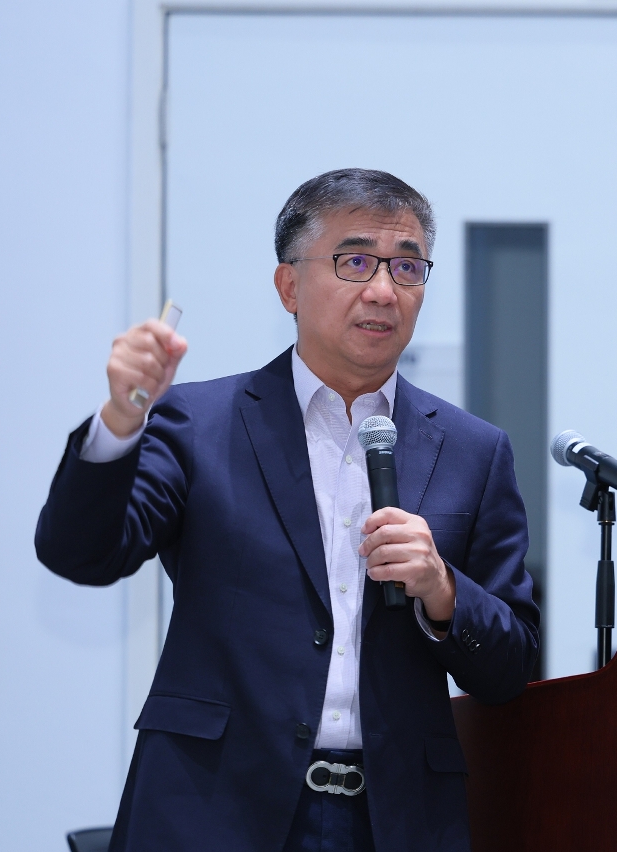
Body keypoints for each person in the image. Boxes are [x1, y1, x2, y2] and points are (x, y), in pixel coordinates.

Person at [35, 168, 539, 852]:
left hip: (395, 822)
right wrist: (121, 421)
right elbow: (82, 554)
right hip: (216, 810)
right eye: (355, 261)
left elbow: (511, 669)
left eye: (407, 267)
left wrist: (443, 590)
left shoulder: (473, 451)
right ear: (289, 286)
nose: (384, 290)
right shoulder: (200, 422)